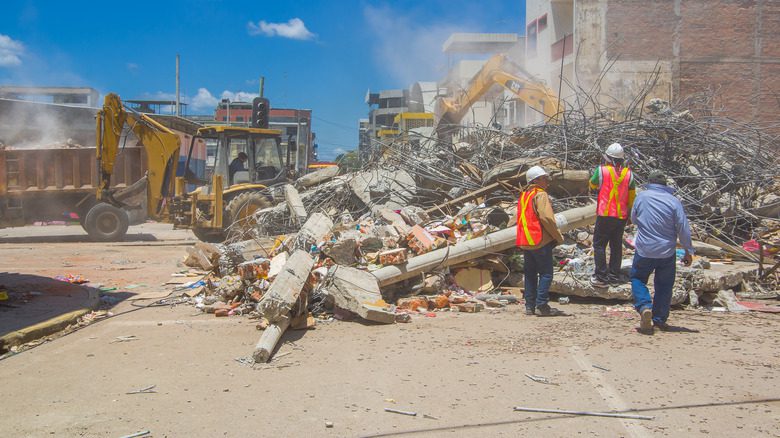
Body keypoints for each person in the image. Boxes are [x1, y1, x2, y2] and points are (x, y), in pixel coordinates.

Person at [630, 170, 694, 334]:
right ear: (665, 185)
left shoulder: (641, 197)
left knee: (637, 278)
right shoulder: (674, 201)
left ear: (649, 183)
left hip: (644, 249)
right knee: (664, 285)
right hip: (666, 251)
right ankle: (659, 319)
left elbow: (633, 218)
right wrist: (688, 250)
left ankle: (644, 306)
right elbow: (683, 228)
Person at [516, 166, 565, 316]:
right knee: (546, 274)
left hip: (526, 241)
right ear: (535, 180)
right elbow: (546, 218)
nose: (547, 182)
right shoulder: (540, 194)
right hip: (539, 240)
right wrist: (557, 236)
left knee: (530, 274)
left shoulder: (524, 195)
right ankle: (542, 305)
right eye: (544, 178)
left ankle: (529, 306)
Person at [589, 143, 636, 287]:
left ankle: (601, 277)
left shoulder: (601, 171)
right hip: (620, 216)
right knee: (616, 245)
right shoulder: (629, 174)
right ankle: (614, 276)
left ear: (607, 158)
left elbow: (592, 185)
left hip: (605, 213)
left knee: (599, 245)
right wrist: (629, 214)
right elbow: (632, 196)